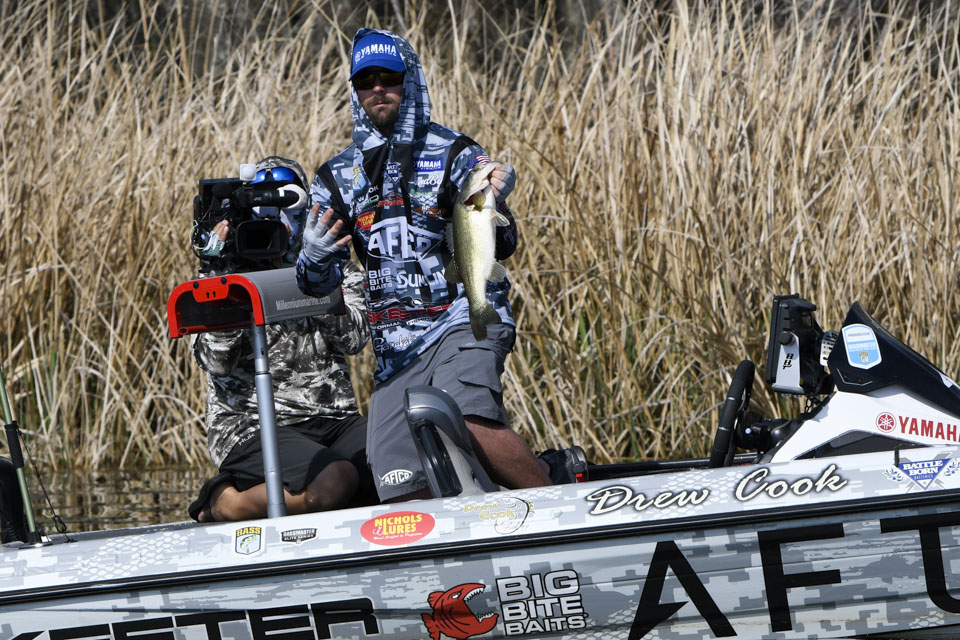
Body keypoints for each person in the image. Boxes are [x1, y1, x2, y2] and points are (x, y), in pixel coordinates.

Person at [295, 30, 586, 503]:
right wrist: (313, 256)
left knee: (468, 419)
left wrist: (495, 202)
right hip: (395, 351)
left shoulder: (456, 152)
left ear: (408, 80)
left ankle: (563, 508)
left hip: (464, 316)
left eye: (388, 77)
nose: (378, 89)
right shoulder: (334, 178)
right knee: (397, 486)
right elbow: (315, 286)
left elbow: (505, 244)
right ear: (355, 90)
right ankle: (543, 476)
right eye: (366, 81)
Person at [188, 156, 374, 522]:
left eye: (287, 208)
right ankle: (226, 503)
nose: (277, 221)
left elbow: (354, 339)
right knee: (336, 480)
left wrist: (316, 273)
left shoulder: (332, 262)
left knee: (396, 461)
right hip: (250, 425)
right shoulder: (227, 272)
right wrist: (220, 272)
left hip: (333, 418)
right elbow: (218, 362)